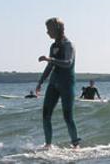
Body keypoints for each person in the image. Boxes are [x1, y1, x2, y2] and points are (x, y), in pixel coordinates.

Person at [34, 17, 81, 149]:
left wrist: (50, 59)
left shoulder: (68, 45)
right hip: (54, 84)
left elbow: (68, 63)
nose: (47, 32)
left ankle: (76, 145)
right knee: (46, 115)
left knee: (67, 116)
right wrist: (41, 81)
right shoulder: (53, 46)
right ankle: (48, 145)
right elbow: (50, 66)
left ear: (57, 29)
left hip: (67, 84)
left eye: (49, 29)